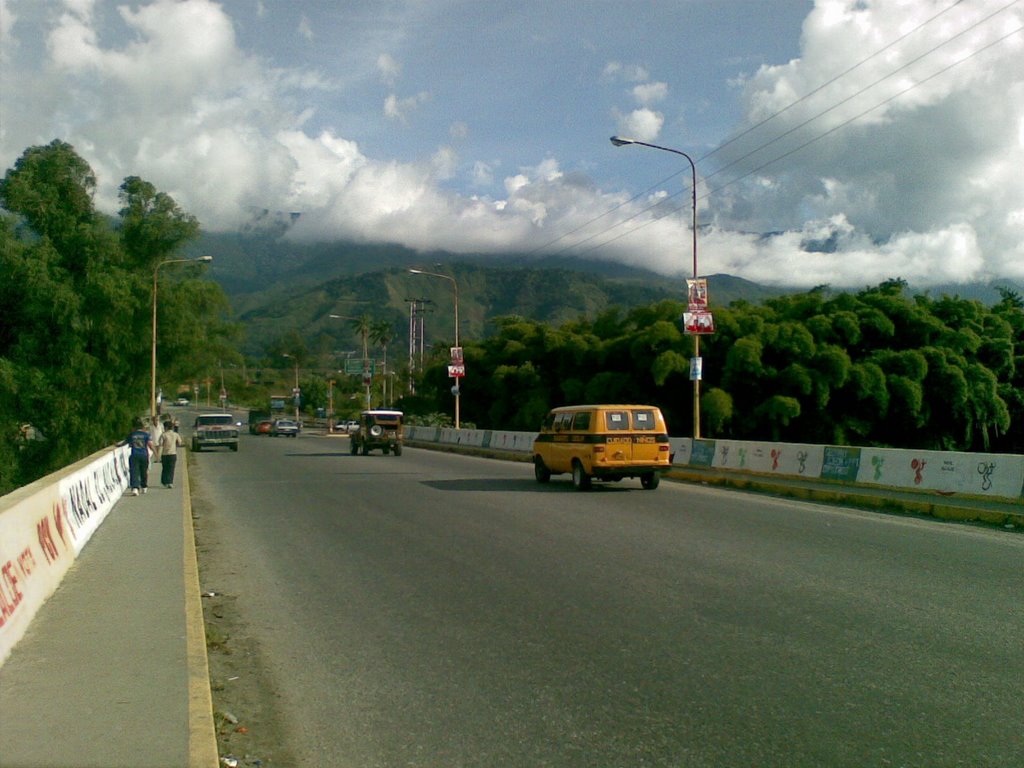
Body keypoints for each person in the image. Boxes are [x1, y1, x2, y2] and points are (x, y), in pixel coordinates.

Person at [121, 418, 152, 496]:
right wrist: (156, 453)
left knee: (134, 471)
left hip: (134, 455)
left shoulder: (132, 434)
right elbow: (150, 444)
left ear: (134, 427)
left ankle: (135, 488)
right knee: (143, 471)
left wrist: (117, 445)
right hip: (144, 455)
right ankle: (144, 486)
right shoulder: (146, 435)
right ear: (142, 428)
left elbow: (124, 442)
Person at [159, 420, 184, 488]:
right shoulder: (176, 434)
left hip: (165, 454)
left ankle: (164, 481)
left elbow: (160, 444)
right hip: (173, 453)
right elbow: (179, 442)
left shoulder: (163, 435)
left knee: (165, 468)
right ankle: (170, 482)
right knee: (171, 468)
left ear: (166, 427)